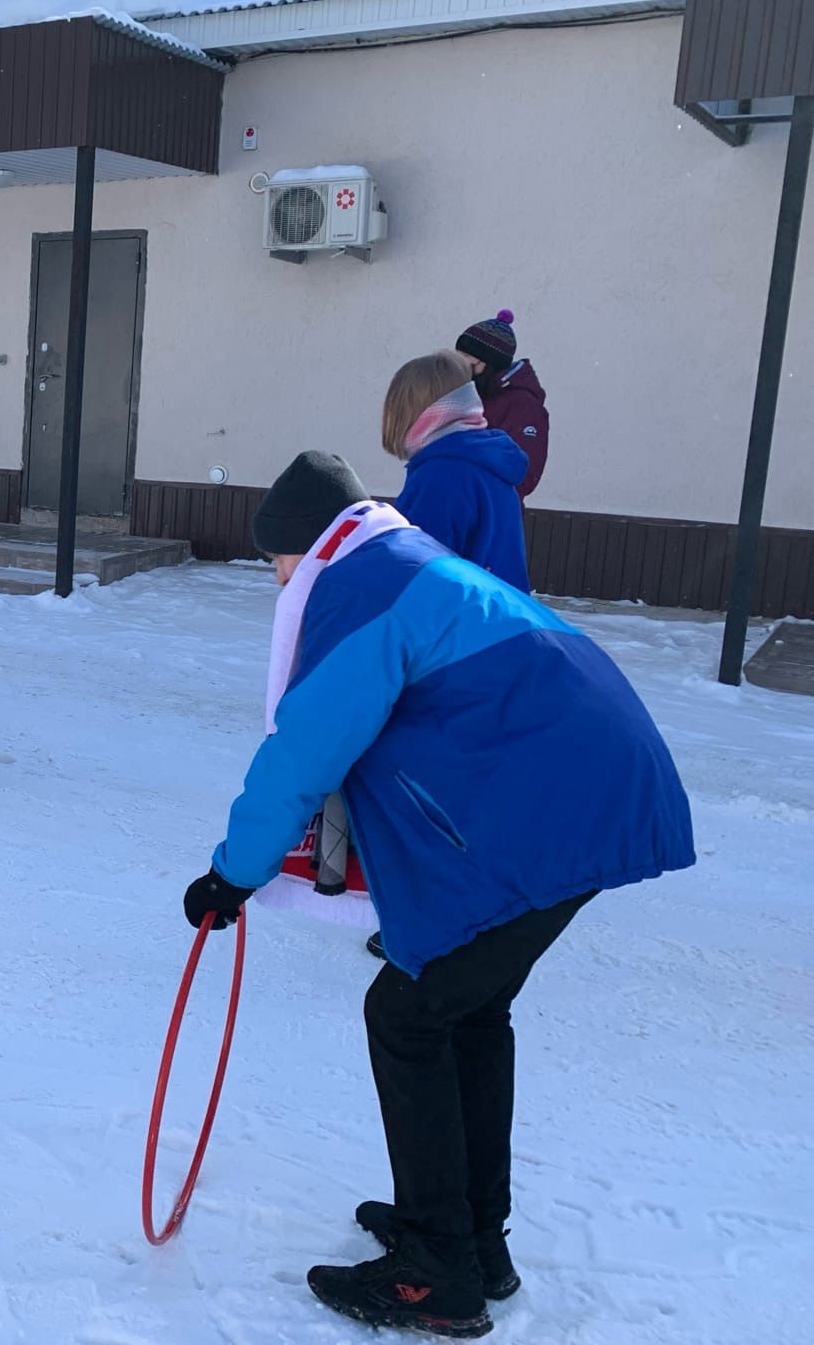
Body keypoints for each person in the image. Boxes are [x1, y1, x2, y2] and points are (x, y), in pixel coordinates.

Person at [182, 450, 694, 1339]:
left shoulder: (363, 590)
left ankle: (435, 1269)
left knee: (409, 1016)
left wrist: (234, 872)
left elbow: (307, 750)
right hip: (592, 789)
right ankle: (470, 1242)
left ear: (307, 549)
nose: (277, 584)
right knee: (463, 1014)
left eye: (276, 565)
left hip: (562, 807)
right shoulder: (405, 565)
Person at [385, 350, 531, 593]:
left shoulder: (442, 474)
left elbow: (413, 577)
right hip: (500, 621)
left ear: (410, 409)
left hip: (459, 626)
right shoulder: (483, 463)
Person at [456, 310, 548, 500]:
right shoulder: (472, 392)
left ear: (490, 362)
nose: (461, 365)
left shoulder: (523, 404)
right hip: (461, 506)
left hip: (493, 513)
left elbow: (525, 473)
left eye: (467, 358)